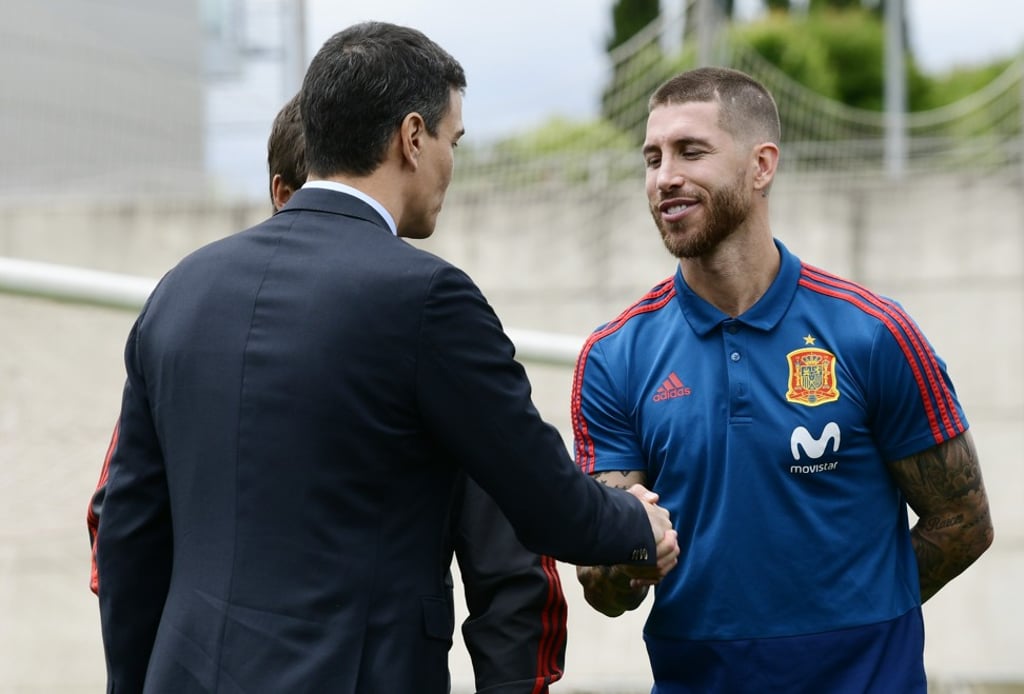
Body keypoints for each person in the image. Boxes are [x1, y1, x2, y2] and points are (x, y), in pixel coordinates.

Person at [93, 21, 679, 694]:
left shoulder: (181, 290)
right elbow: (544, 503)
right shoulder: (429, 299)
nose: (451, 166)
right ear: (412, 138)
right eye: (452, 141)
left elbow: (128, 530)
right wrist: (636, 524)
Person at [572, 66, 994, 693]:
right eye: (652, 157)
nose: (665, 176)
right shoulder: (613, 356)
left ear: (761, 165)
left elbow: (963, 521)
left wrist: (857, 616)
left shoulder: (871, 333)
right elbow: (603, 590)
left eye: (691, 151)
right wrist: (626, 557)